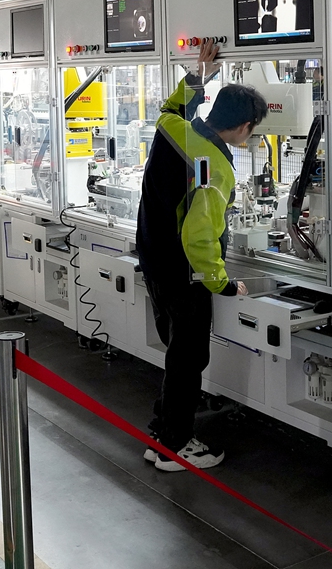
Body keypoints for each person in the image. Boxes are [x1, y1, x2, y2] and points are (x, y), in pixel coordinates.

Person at [136, 38, 268, 472]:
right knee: (190, 359)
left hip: (154, 258)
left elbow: (172, 109)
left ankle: (161, 434)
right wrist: (222, 282)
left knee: (176, 354)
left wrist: (200, 73)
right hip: (184, 273)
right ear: (246, 126)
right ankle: (175, 445)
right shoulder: (214, 166)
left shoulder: (175, 129)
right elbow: (199, 237)